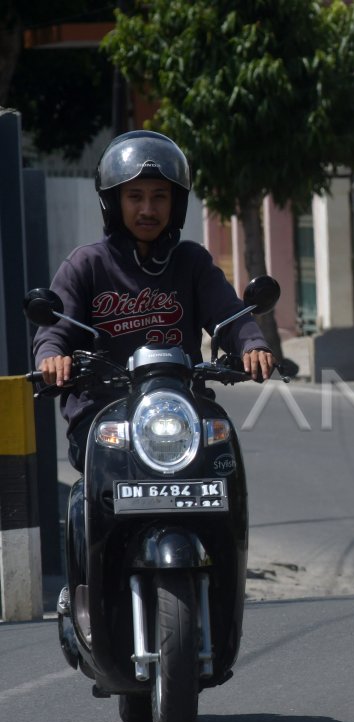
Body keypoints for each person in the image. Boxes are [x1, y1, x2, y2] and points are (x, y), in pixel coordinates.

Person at [32, 130, 275, 473]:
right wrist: (52, 357)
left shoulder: (192, 262)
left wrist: (252, 343)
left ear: (176, 203)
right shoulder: (86, 265)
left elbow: (229, 314)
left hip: (181, 410)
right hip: (105, 415)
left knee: (223, 464)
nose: (148, 209)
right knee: (102, 484)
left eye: (160, 197)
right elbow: (56, 327)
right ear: (114, 202)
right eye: (135, 197)